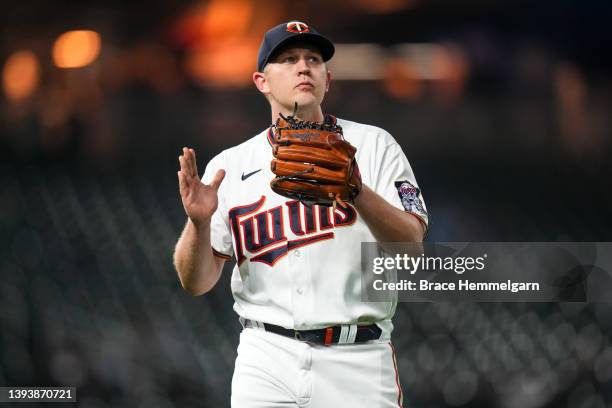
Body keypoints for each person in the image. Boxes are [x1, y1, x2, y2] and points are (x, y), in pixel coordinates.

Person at [173, 20, 428, 408]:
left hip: (357, 359)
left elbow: (411, 251)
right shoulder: (229, 166)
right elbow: (196, 282)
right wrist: (199, 222)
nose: (303, 67)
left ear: (328, 78)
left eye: (313, 59)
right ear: (262, 81)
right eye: (288, 59)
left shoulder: (374, 145)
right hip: (266, 356)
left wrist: (356, 192)